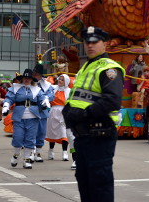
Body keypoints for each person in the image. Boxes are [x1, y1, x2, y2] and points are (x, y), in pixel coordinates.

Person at [62, 26, 124, 202]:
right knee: (85, 182)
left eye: (95, 42)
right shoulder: (87, 67)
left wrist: (83, 114)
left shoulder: (109, 68)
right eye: (87, 42)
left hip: (99, 134)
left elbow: (112, 100)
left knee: (99, 185)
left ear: (105, 44)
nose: (90, 45)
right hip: (83, 135)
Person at [2, 69, 48, 169]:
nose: (27, 80)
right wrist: (6, 106)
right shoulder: (15, 88)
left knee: (30, 138)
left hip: (33, 117)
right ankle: (16, 154)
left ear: (32, 79)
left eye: (29, 78)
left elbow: (42, 98)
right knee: (18, 137)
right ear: (22, 78)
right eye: (25, 78)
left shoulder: (37, 90)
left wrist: (45, 103)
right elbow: (9, 98)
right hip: (19, 117)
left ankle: (26, 159)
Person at [32, 63, 55, 162]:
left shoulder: (47, 85)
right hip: (31, 111)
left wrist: (45, 98)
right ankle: (31, 151)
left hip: (42, 111)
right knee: (31, 131)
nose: (36, 76)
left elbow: (52, 95)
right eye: (35, 74)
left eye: (38, 74)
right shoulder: (29, 84)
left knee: (41, 132)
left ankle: (38, 152)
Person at [46, 74, 71, 161]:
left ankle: (64, 152)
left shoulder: (69, 91)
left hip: (64, 112)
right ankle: (51, 151)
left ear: (66, 82)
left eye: (62, 80)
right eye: (59, 79)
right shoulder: (52, 88)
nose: (60, 81)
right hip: (53, 111)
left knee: (64, 132)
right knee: (52, 131)